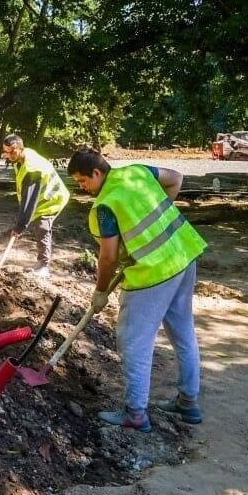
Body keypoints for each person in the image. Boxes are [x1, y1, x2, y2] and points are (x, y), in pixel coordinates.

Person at [67, 146, 207, 431]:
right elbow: (176, 178)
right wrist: (161, 220)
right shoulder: (137, 172)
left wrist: (101, 290)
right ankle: (188, 402)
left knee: (134, 341)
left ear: (96, 172)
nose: (83, 188)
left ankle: (135, 414)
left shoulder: (105, 206)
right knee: (184, 333)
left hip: (152, 273)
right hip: (183, 254)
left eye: (83, 181)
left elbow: (107, 257)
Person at [1, 135, 70, 279]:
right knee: (33, 221)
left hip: (52, 199)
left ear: (21, 148)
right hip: (42, 197)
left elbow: (30, 201)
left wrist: (20, 226)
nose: (8, 155)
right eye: (5, 152)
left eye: (11, 152)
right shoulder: (22, 156)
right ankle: (41, 263)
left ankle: (44, 266)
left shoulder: (32, 169)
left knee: (42, 226)